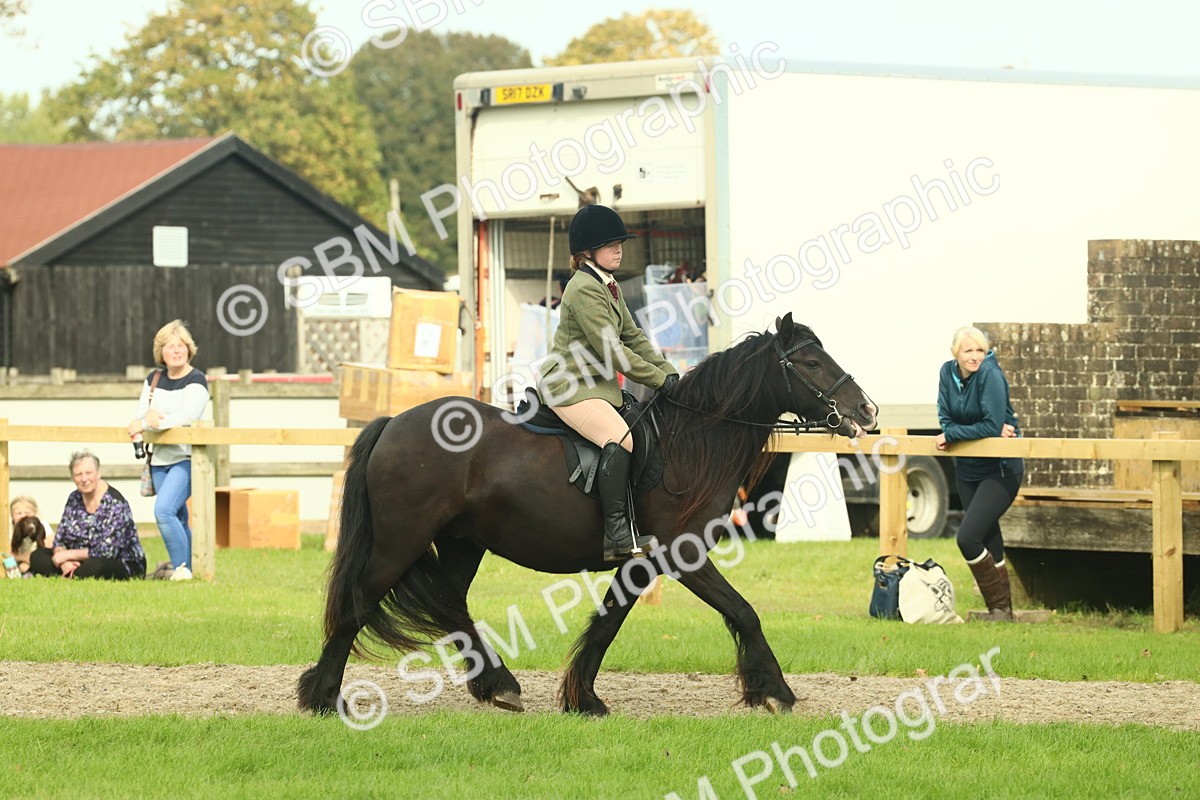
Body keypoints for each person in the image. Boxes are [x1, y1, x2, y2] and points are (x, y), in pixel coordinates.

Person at [537, 204, 680, 561]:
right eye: (609, 244)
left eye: (620, 242)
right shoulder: (583, 288)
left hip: (598, 387)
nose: (618, 248)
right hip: (570, 388)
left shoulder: (609, 284)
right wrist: (660, 381)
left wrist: (670, 370)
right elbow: (613, 352)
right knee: (620, 438)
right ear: (586, 252)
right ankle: (616, 535)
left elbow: (634, 337)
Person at [934, 326, 1023, 622]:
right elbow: (945, 417)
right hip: (967, 468)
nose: (975, 357)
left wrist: (954, 433)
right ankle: (1000, 612)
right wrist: (964, 430)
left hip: (1000, 468)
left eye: (980, 351)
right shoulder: (947, 373)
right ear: (955, 353)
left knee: (968, 537)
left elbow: (990, 424)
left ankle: (999, 609)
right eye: (968, 351)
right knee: (988, 535)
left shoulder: (990, 375)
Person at [127, 319, 210, 581]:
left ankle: (181, 569)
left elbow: (188, 415)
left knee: (163, 511)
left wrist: (154, 420)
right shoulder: (154, 379)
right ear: (161, 352)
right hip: (159, 459)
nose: (176, 351)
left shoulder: (197, 379)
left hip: (186, 458)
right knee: (177, 515)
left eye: (181, 345)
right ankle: (191, 570)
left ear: (189, 349)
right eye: (170, 346)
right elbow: (141, 413)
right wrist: (146, 416)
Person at [28, 451, 146, 580]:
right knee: (38, 556)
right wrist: (63, 561)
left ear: (98, 473)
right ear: (73, 478)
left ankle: (75, 574)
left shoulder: (115, 503)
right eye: (79, 474)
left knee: (97, 565)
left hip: (117, 562)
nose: (84, 479)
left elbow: (107, 551)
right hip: (76, 560)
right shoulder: (74, 498)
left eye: (88, 473)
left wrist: (67, 555)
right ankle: (71, 572)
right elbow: (60, 539)